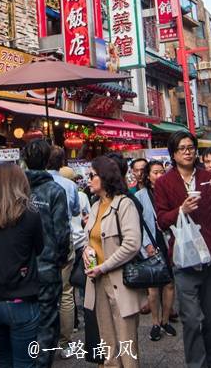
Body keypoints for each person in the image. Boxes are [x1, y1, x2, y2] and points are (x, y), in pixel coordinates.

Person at [153, 133, 211, 368]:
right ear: (174, 154)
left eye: (190, 147)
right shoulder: (164, 183)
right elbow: (162, 220)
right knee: (190, 319)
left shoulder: (209, 178)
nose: (187, 152)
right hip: (184, 258)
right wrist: (181, 210)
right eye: (182, 148)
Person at [0, 163, 45, 368]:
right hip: (21, 298)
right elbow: (39, 248)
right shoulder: (30, 215)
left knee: (4, 359)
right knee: (25, 362)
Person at [83, 156, 146, 368]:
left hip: (120, 282)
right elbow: (89, 238)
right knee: (107, 345)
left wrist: (104, 266)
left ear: (105, 177)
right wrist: (86, 251)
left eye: (92, 175)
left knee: (127, 346)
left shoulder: (124, 204)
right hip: (97, 283)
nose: (88, 180)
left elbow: (132, 244)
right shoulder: (95, 206)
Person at [21, 139, 71, 367]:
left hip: (19, 268)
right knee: (47, 323)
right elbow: (62, 232)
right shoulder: (54, 191)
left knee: (23, 322)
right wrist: (59, 260)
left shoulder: (16, 190)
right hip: (47, 268)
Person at [135, 160, 176, 342]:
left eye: (161, 172)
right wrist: (146, 244)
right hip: (151, 242)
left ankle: (166, 320)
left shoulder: (169, 191)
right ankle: (155, 322)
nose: (159, 175)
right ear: (148, 175)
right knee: (153, 288)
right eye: (155, 172)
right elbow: (139, 223)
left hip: (168, 241)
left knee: (169, 284)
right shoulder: (141, 195)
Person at [59, 164, 89, 347]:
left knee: (66, 289)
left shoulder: (50, 191)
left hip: (66, 244)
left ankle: (73, 324)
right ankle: (84, 314)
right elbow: (84, 214)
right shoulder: (81, 195)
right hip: (79, 242)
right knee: (76, 287)